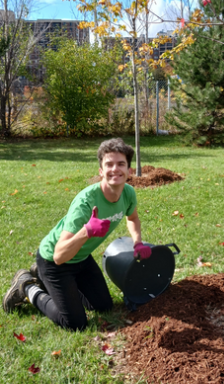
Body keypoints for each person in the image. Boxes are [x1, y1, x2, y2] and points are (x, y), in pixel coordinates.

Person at [2, 138, 151, 330]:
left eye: (121, 164)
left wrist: (137, 243)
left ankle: (42, 276)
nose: (115, 169)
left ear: (129, 171)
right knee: (75, 323)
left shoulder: (128, 193)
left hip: (81, 259)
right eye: (109, 164)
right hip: (55, 261)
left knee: (104, 307)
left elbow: (133, 218)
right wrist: (87, 231)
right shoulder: (86, 203)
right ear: (101, 171)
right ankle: (27, 287)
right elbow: (59, 256)